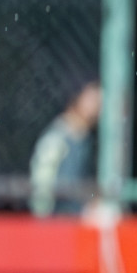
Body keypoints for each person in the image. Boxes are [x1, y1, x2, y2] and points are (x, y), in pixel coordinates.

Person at [28, 81, 102, 218]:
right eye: (92, 98)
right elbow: (41, 192)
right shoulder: (56, 139)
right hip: (58, 220)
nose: (97, 105)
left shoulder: (87, 140)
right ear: (77, 98)